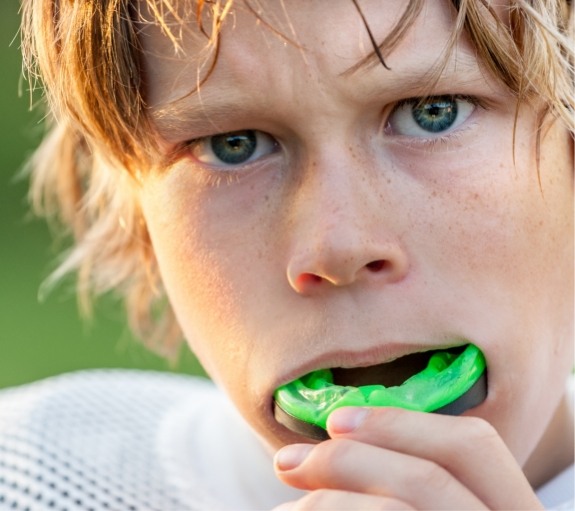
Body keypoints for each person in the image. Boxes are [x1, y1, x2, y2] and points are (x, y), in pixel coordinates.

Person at [1, 0, 573, 509]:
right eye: (235, 145)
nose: (338, 247)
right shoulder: (29, 478)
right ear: (139, 219)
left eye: (433, 111)